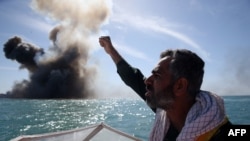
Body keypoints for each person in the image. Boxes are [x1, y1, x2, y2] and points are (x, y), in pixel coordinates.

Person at [99, 36, 232, 141]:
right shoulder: (165, 111)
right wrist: (111, 51)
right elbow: (134, 78)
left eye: (156, 75)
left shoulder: (222, 134)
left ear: (179, 86)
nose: (148, 81)